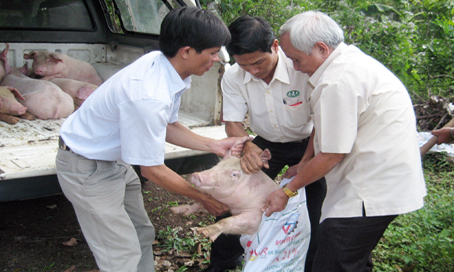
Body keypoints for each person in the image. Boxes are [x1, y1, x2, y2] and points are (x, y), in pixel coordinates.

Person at [55, 7, 242, 272]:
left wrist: (213, 145)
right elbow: (152, 170)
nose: (216, 60)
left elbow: (168, 126)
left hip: (113, 161)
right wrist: (203, 197)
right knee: (121, 253)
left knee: (141, 234)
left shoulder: (166, 66)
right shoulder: (148, 94)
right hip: (86, 167)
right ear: (187, 51)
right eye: (212, 53)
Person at [262, 11, 427, 271]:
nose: (295, 67)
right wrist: (304, 162)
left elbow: (331, 155)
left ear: (321, 48)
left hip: (369, 191)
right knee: (351, 259)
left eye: (296, 59)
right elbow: (323, 123)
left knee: (333, 262)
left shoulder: (336, 82)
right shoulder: (349, 64)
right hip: (381, 180)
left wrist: (287, 191)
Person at [203, 15, 326, 272]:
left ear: (275, 46)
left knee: (315, 209)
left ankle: (306, 264)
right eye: (245, 65)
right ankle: (222, 264)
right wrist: (247, 144)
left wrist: (305, 162)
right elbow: (233, 123)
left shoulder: (301, 68)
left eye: (258, 62)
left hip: (309, 143)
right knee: (235, 203)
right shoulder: (233, 76)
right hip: (262, 145)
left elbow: (321, 121)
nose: (254, 71)